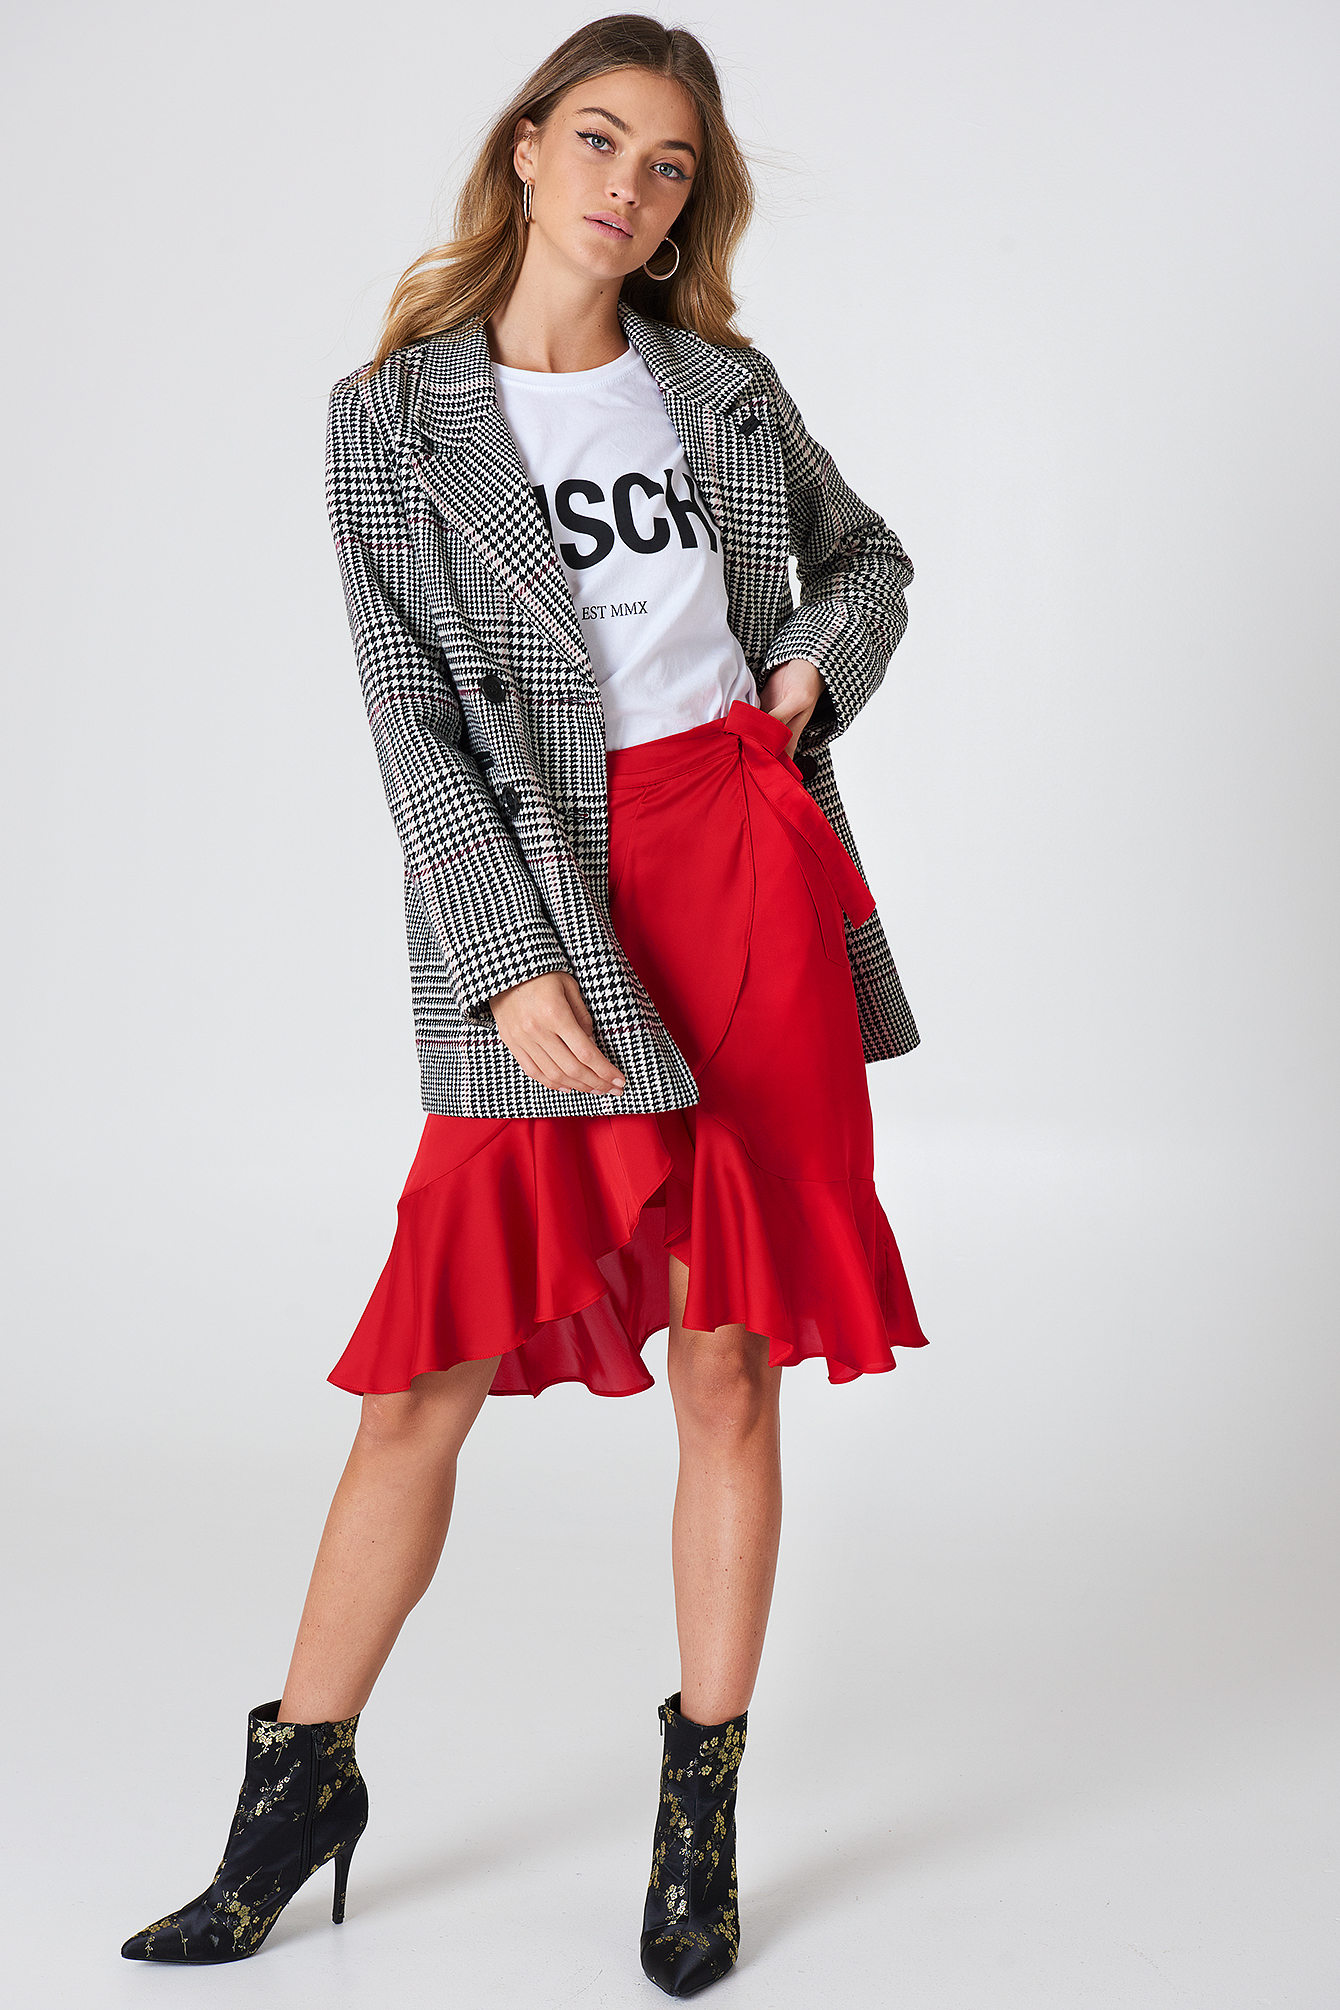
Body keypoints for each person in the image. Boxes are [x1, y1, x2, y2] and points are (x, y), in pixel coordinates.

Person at [120, 13, 927, 1996]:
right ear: (524, 150)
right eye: (599, 141)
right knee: (425, 1370)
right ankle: (294, 1791)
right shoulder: (390, 418)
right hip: (553, 894)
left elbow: (869, 563)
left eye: (669, 165)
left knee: (725, 1361)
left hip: (740, 866)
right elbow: (409, 717)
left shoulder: (718, 387)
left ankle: (698, 1813)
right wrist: (504, 958)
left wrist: (807, 672)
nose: (628, 187)